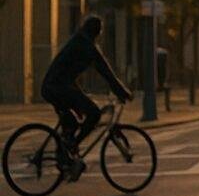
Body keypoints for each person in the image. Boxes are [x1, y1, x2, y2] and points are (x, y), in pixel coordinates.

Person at [41, 15, 132, 179]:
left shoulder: (79, 40)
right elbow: (106, 72)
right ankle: (71, 148)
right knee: (95, 114)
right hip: (57, 88)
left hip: (54, 87)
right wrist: (122, 91)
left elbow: (68, 75)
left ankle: (67, 156)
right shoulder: (87, 46)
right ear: (97, 33)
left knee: (73, 122)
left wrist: (80, 99)